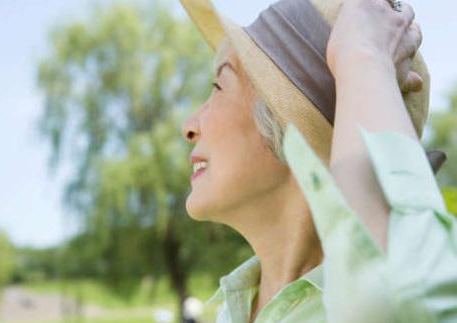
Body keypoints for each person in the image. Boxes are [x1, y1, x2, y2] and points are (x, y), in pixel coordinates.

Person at [180, 0, 457, 322]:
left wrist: (362, 56)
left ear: (286, 123)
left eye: (218, 85)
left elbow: (407, 298)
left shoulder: (368, 304)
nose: (189, 126)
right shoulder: (232, 310)